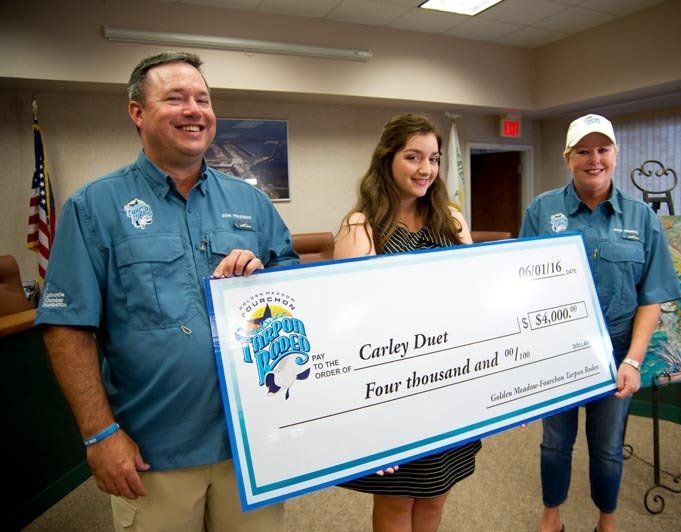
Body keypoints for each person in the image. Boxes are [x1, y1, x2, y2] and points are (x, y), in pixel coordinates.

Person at [35, 52, 298, 531]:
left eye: (203, 98)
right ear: (138, 113)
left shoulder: (250, 203)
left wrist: (264, 282)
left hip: (251, 443)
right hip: (155, 454)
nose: (194, 109)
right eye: (175, 98)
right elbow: (65, 329)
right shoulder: (94, 207)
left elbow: (295, 295)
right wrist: (99, 435)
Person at [519, 114, 681, 532]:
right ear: (567, 158)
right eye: (584, 151)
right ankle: (552, 515)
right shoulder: (542, 210)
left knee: (607, 447)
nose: (595, 159)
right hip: (556, 350)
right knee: (555, 442)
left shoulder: (642, 218)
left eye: (603, 150)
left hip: (617, 351)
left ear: (615, 154)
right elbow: (521, 284)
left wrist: (634, 361)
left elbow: (652, 298)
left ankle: (606, 519)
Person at [334, 113, 480, 532]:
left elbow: (475, 300)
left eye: (433, 159)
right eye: (413, 157)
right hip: (395, 385)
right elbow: (352, 324)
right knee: (399, 502)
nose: (426, 169)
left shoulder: (451, 221)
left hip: (448, 379)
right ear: (387, 159)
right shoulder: (361, 226)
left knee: (435, 495)